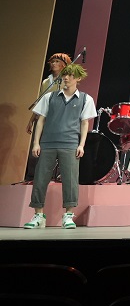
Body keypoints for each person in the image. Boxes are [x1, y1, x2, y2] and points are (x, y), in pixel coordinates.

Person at [24, 63, 97, 229]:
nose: (66, 78)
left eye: (70, 75)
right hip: (47, 143)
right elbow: (40, 120)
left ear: (78, 78)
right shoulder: (49, 97)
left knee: (70, 180)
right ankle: (38, 216)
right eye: (65, 75)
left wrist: (81, 145)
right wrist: (36, 143)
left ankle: (68, 216)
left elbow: (84, 123)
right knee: (40, 179)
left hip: (70, 144)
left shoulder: (86, 99)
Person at [24, 52, 72, 182]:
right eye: (52, 61)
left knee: (52, 149)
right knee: (36, 146)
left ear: (64, 65)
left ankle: (49, 176)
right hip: (43, 117)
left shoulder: (66, 80)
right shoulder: (46, 82)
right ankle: (31, 176)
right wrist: (31, 120)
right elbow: (40, 101)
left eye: (57, 61)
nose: (54, 64)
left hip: (58, 119)